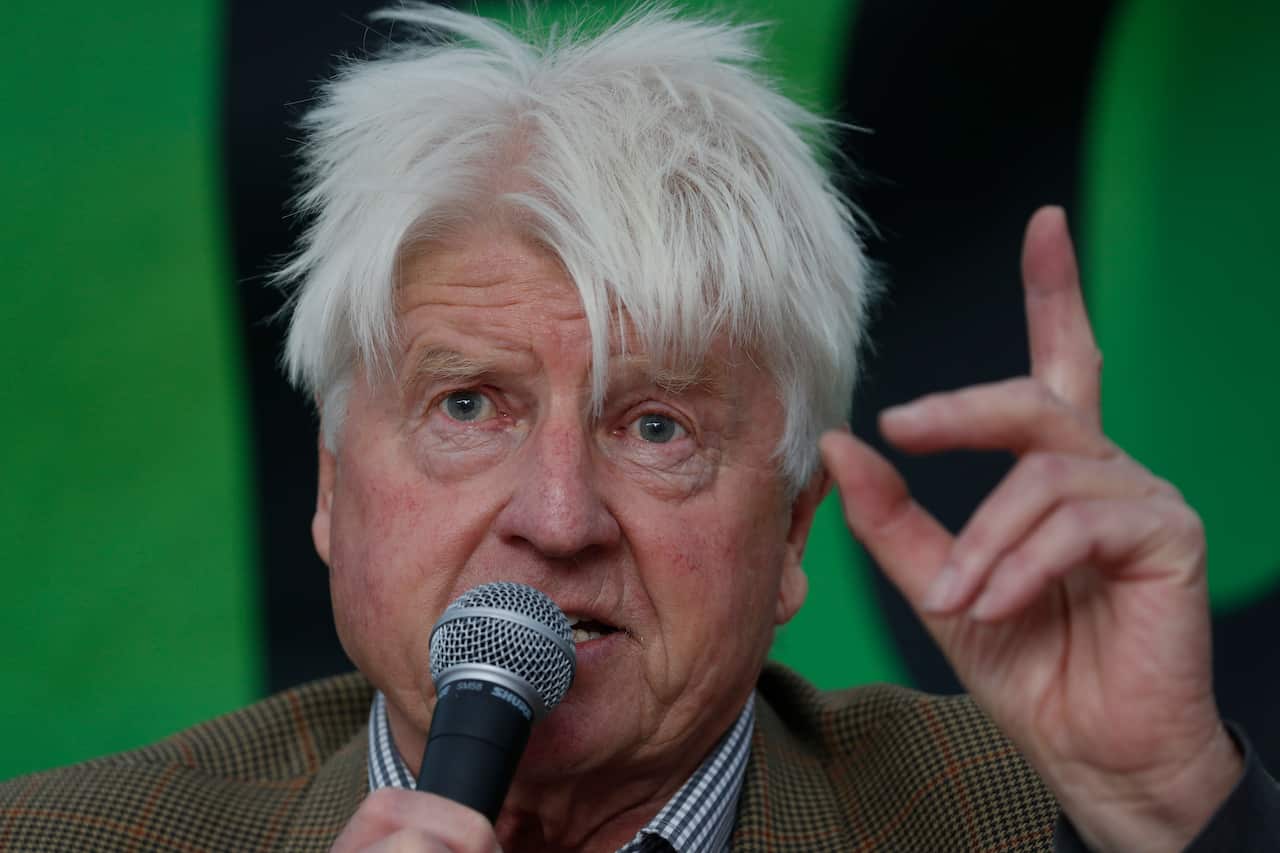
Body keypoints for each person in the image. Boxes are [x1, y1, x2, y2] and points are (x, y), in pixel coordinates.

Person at [2, 5, 1276, 851]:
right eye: (465, 406)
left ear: (788, 532)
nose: (557, 518)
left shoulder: (1037, 825)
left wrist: (1168, 810)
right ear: (333, 491)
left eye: (656, 426)